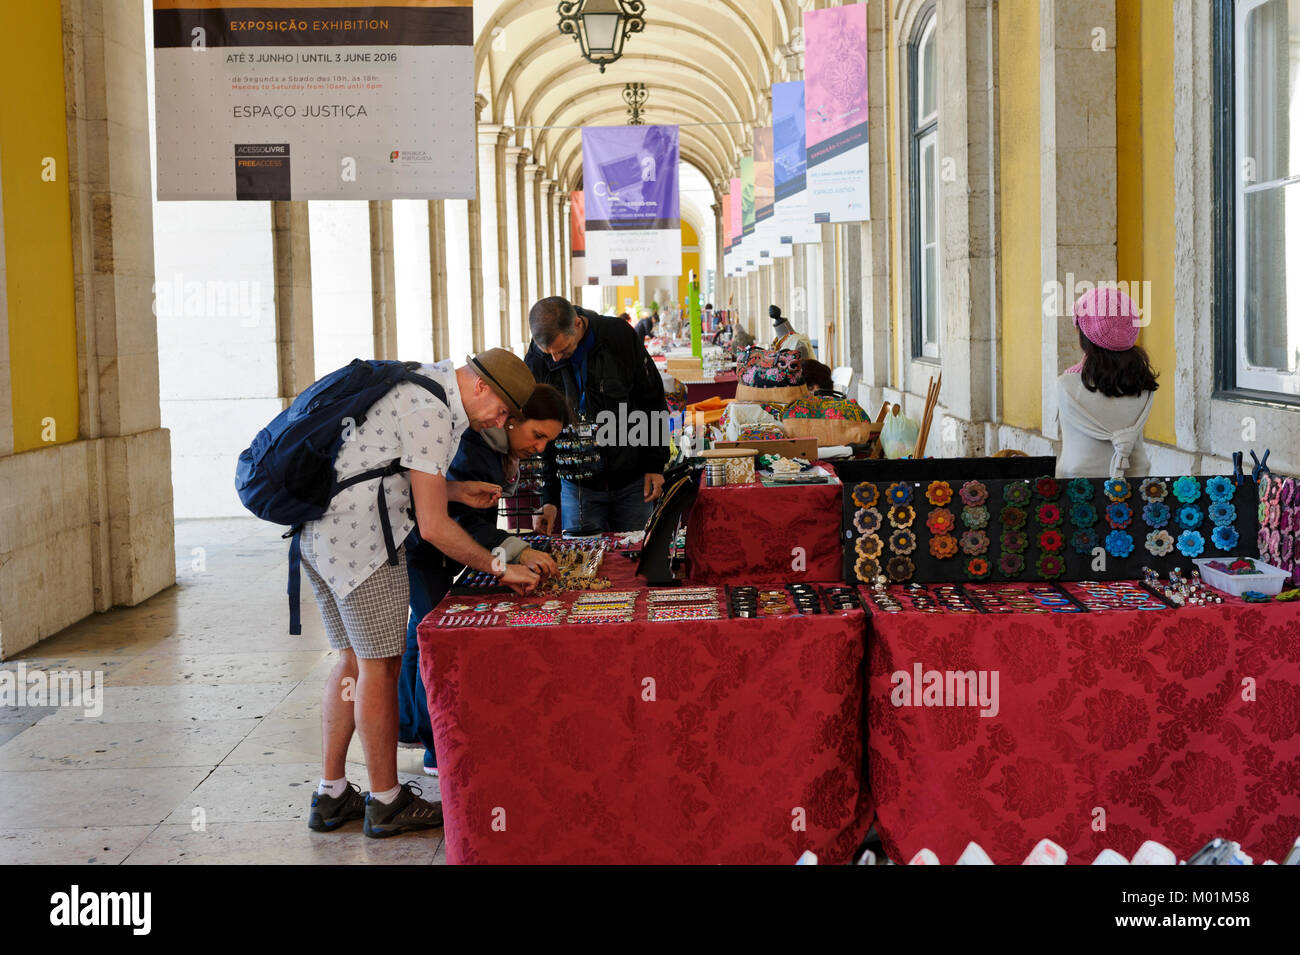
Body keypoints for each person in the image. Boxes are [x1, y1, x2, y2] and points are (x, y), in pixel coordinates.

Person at [303, 348, 540, 838]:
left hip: (318, 535)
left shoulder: (422, 384)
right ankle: (386, 801)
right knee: (380, 666)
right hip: (364, 545)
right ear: (481, 386)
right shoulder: (432, 410)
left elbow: (384, 473)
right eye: (503, 410)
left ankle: (330, 795)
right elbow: (433, 529)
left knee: (350, 661)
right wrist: (501, 566)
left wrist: (455, 491)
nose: (502, 422)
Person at [398, 384, 570, 776]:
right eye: (537, 436)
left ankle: (407, 724)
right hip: (425, 547)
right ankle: (434, 749)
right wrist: (516, 553)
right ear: (510, 418)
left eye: (548, 441)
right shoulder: (474, 446)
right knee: (433, 636)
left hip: (434, 549)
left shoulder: (494, 445)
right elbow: (462, 526)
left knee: (420, 628)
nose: (540, 449)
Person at [526, 296, 669, 533]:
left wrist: (655, 464)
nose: (555, 359)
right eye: (548, 353)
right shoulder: (537, 360)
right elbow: (543, 433)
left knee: (635, 560)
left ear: (578, 325)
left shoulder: (618, 336)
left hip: (631, 479)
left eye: (562, 350)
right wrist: (549, 497)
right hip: (577, 487)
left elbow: (652, 399)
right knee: (581, 564)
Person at [1054, 286, 1159, 479]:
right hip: (1136, 485)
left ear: (1084, 336)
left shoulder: (1066, 385)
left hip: (1078, 490)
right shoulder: (1144, 386)